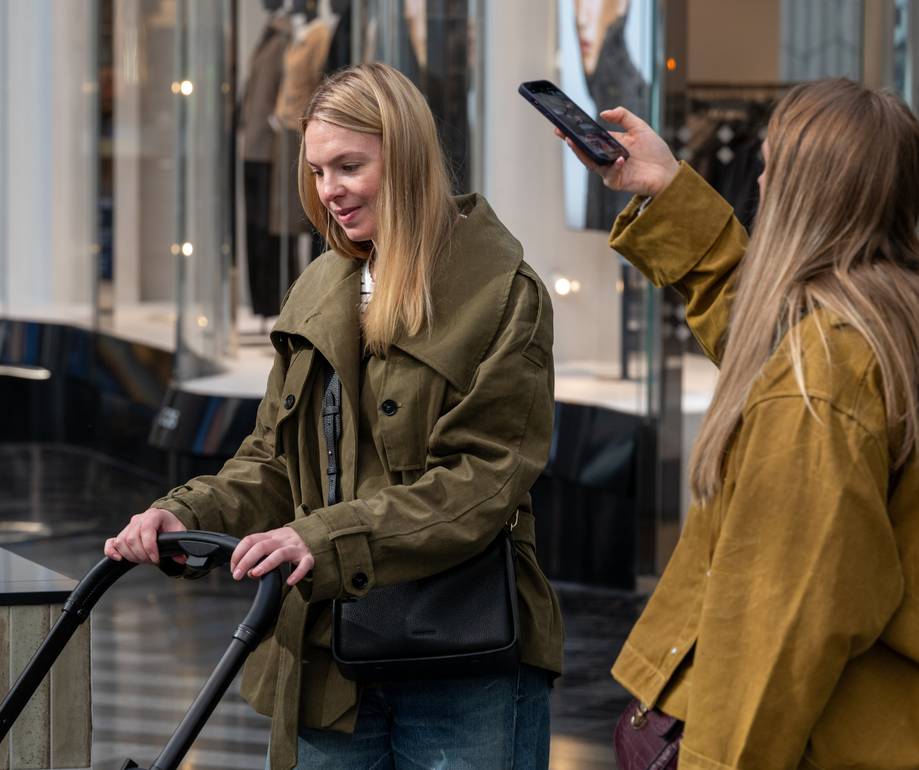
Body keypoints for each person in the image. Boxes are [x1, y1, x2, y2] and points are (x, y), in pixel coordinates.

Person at [106, 63, 563, 770]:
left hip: (462, 657)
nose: (329, 191)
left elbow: (483, 480)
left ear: (407, 159)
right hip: (326, 659)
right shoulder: (320, 286)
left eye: (350, 166)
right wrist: (185, 513)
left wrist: (325, 538)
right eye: (318, 171)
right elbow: (273, 458)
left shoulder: (501, 294)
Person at [559, 79, 919, 768]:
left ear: (803, 192)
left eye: (770, 164)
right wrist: (667, 189)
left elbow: (775, 626)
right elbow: (763, 330)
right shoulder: (883, 315)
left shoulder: (822, 373)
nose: (757, 179)